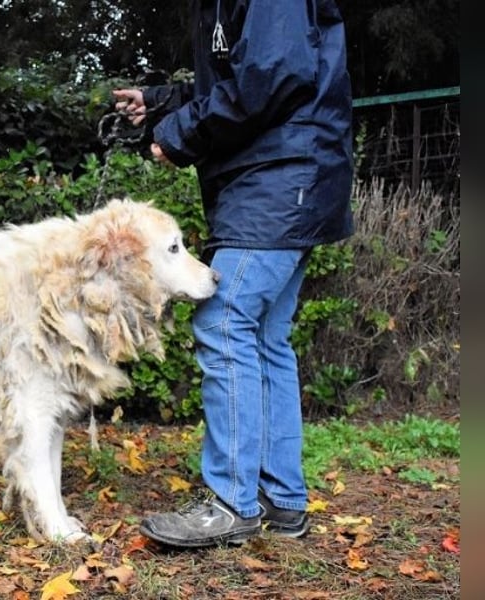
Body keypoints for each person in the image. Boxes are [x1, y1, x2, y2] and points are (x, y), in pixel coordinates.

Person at [112, 0, 354, 548]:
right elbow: (237, 76)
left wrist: (180, 133)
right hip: (279, 177)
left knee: (222, 320)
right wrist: (159, 103)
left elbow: (272, 77)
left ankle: (232, 502)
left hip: (281, 178)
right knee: (265, 337)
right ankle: (280, 499)